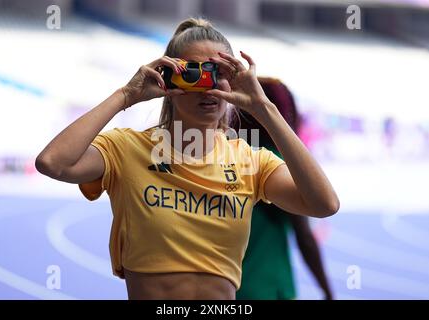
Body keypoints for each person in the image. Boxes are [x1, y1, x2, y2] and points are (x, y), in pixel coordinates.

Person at [35, 18, 339, 300]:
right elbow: (53, 162)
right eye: (194, 73)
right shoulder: (127, 149)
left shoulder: (251, 160)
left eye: (220, 74)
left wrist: (264, 109)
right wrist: (126, 95)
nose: (208, 85)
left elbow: (324, 204)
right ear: (169, 79)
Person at [234, 77, 333, 300]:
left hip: (223, 286)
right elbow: (305, 236)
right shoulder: (275, 162)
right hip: (266, 285)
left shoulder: (226, 155)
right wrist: (327, 291)